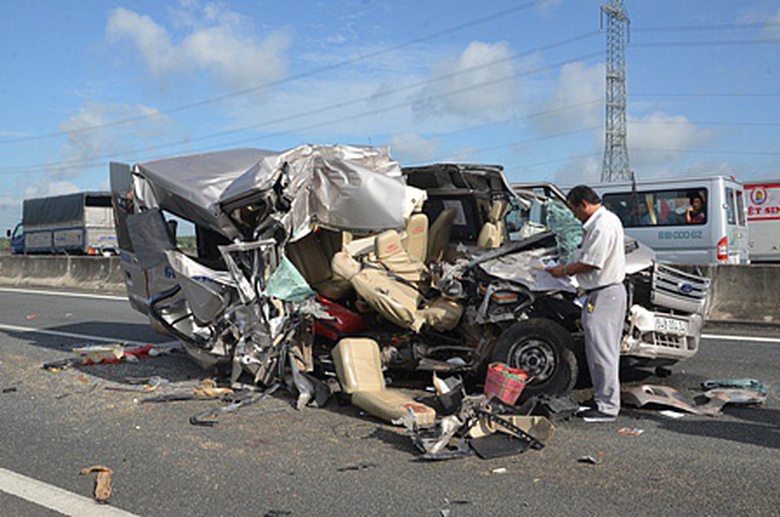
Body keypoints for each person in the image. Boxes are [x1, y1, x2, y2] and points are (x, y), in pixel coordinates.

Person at [545, 185, 626, 423]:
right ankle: (603, 398)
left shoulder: (601, 225)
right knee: (601, 350)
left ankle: (607, 407)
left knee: (603, 351)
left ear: (584, 204)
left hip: (604, 293)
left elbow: (592, 262)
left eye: (574, 210)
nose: (574, 215)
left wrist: (564, 270)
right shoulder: (605, 220)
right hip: (604, 292)